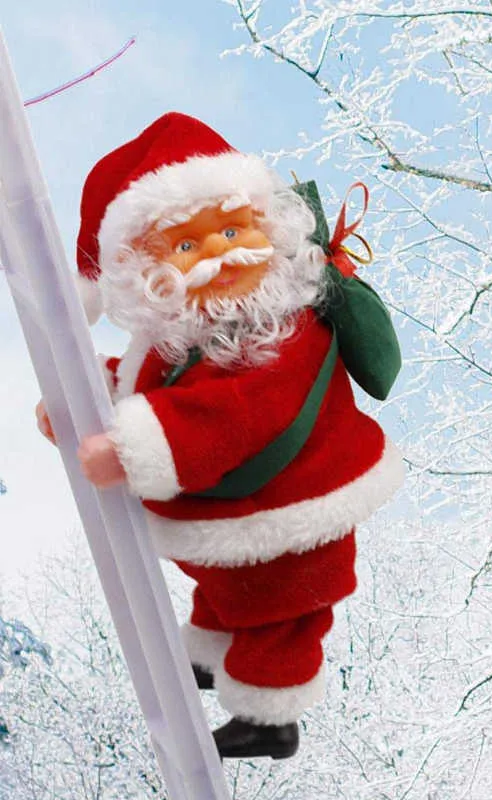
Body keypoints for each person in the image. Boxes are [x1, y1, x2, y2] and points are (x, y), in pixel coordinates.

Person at [35, 112, 404, 759]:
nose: (220, 254)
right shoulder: (191, 329)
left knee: (281, 614)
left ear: (266, 229)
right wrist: (89, 396)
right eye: (188, 246)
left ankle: (270, 718)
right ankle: (213, 657)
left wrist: (126, 449)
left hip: (294, 521)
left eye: (233, 230)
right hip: (238, 518)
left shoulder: (285, 329)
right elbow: (166, 384)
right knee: (230, 594)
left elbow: (234, 412)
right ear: (150, 271)